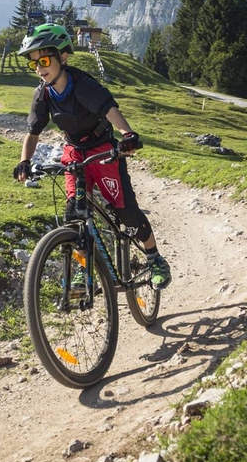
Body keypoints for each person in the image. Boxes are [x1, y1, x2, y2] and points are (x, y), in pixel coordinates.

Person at [12, 23, 172, 291]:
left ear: (63, 58)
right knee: (74, 215)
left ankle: (155, 258)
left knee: (127, 212)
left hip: (103, 151)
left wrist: (127, 134)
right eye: (34, 64)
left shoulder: (82, 85)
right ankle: (82, 270)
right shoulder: (43, 94)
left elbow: (109, 109)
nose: (39, 68)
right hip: (74, 154)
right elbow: (33, 132)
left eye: (44, 60)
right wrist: (24, 161)